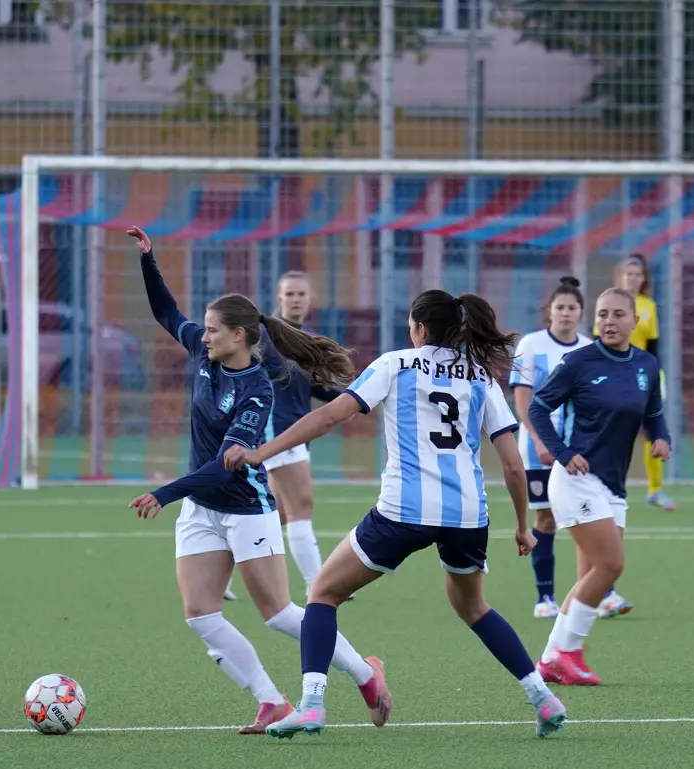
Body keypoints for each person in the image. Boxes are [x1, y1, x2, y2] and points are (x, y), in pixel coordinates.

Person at [224, 289, 568, 740]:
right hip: (467, 514)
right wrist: (523, 527)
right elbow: (511, 464)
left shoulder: (395, 364)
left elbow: (330, 417)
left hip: (403, 511)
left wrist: (263, 451)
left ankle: (311, 704)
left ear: (420, 328)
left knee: (323, 593)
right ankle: (543, 698)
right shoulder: (480, 376)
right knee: (475, 608)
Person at [124, 227, 392, 734]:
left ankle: (364, 674)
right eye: (203, 330)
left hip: (247, 511)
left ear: (240, 336)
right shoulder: (203, 358)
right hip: (202, 510)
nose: (202, 336)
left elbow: (225, 463)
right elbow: (166, 313)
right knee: (200, 615)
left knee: (279, 613)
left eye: (213, 330)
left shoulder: (257, 392)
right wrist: (148, 260)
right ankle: (270, 700)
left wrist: (164, 493)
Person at [529, 288, 672, 687]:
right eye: (603, 314)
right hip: (576, 479)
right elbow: (538, 407)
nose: (609, 321)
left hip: (612, 484)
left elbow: (654, 414)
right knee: (611, 566)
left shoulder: (646, 364)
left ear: (635, 321)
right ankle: (567, 653)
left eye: (618, 315)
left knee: (593, 572)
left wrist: (662, 439)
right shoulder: (578, 362)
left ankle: (551, 660)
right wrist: (561, 452)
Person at [221, 271, 340, 602]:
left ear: (310, 298)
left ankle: (218, 573)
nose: (296, 299)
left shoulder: (304, 338)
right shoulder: (266, 338)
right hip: (276, 432)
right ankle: (319, 585)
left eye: (301, 293)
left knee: (278, 514)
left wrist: (356, 399)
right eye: (289, 294)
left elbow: (317, 386)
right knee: (301, 506)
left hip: (295, 433)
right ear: (279, 298)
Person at [510, 277, 598, 620]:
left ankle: (598, 591)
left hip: (580, 450)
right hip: (539, 450)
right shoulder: (530, 345)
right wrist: (540, 441)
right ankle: (545, 597)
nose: (565, 313)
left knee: (588, 516)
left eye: (572, 308)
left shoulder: (590, 348)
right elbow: (522, 401)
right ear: (550, 312)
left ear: (581, 313)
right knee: (545, 519)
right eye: (559, 307)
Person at [612, 254, 674, 513]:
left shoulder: (648, 305)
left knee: (653, 429)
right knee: (614, 431)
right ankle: (611, 486)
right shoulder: (612, 302)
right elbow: (599, 337)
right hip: (616, 373)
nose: (634, 279)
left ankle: (655, 490)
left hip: (643, 374)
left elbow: (653, 346)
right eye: (629, 274)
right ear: (621, 276)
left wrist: (655, 373)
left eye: (639, 274)